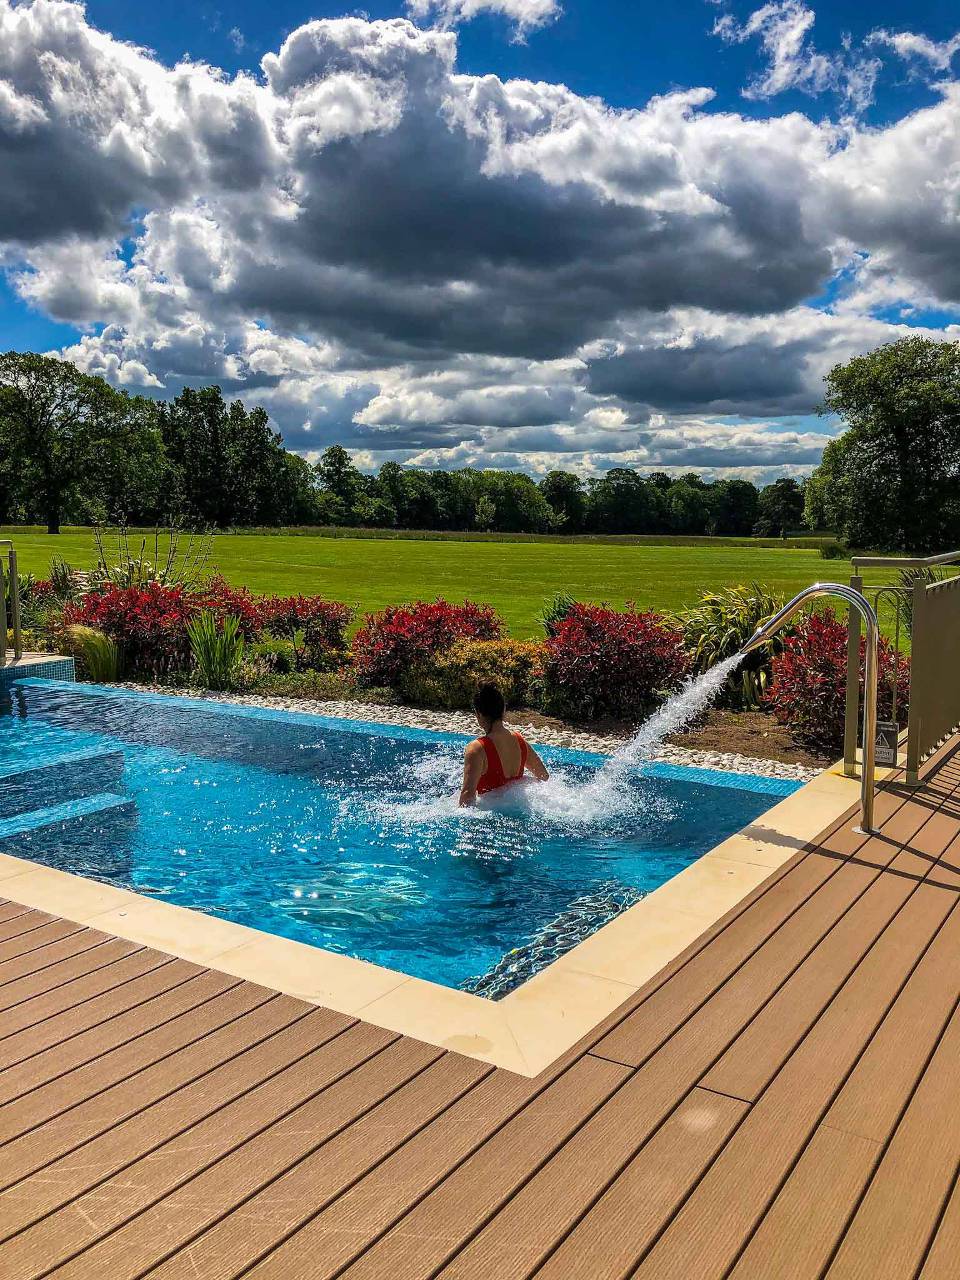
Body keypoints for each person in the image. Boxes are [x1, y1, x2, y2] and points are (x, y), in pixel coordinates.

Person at [459, 682, 549, 807]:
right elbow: (543, 776)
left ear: (478, 714)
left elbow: (467, 797)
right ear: (503, 710)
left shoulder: (477, 749)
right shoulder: (520, 741)